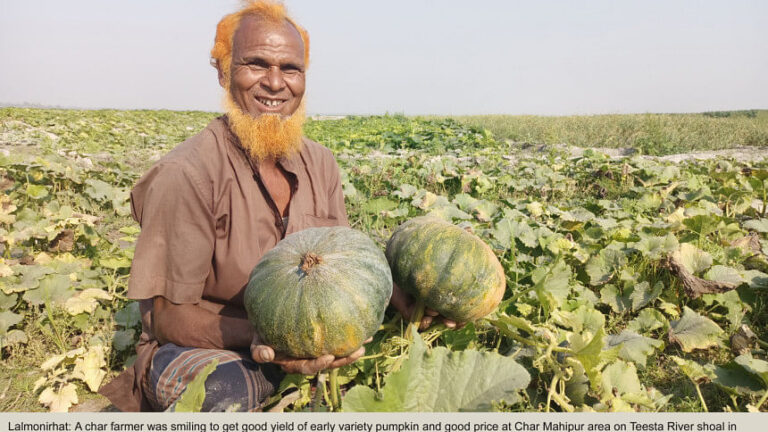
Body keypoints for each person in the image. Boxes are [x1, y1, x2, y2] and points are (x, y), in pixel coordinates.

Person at [100, 0, 450, 412]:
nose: (274, 83)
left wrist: (409, 301)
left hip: (305, 335)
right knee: (225, 392)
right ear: (223, 71)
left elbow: (349, 265)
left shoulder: (321, 164)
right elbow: (167, 318)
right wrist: (271, 337)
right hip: (214, 343)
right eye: (256, 64)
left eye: (290, 69)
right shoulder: (186, 174)